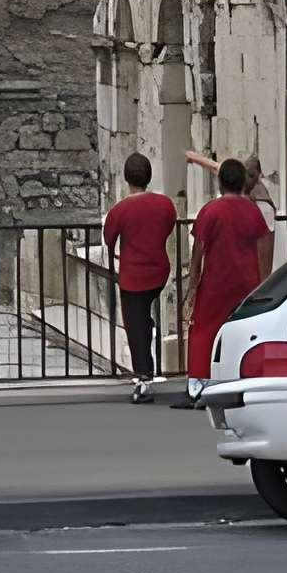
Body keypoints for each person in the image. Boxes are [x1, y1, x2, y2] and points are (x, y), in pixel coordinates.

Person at [182, 149, 274, 390]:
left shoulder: (210, 210)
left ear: (220, 182)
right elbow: (263, 246)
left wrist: (192, 285)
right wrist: (263, 281)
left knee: (203, 329)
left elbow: (198, 250)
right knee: (243, 329)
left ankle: (199, 383)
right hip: (246, 281)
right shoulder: (253, 211)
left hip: (215, 281)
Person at [99, 152, 179, 402]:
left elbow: (109, 239)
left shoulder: (120, 210)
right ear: (149, 176)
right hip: (159, 270)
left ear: (126, 178)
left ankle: (143, 378)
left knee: (136, 326)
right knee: (144, 317)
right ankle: (150, 343)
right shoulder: (165, 204)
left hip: (134, 275)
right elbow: (168, 226)